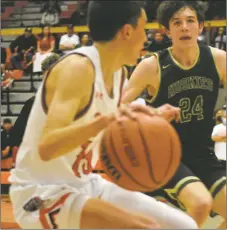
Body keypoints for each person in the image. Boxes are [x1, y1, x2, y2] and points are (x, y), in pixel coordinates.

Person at [9, 1, 197, 229]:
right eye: (144, 28)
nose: (146, 38)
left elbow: (107, 116)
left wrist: (151, 115)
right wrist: (104, 121)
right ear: (127, 32)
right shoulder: (77, 68)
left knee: (184, 225)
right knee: (147, 228)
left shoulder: (119, 73)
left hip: (85, 184)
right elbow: (47, 146)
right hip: (41, 192)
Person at [122, 1, 226, 228]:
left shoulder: (219, 59)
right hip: (166, 156)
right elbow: (117, 107)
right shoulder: (151, 66)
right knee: (200, 204)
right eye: (177, 23)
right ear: (167, 31)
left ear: (200, 27)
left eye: (190, 21)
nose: (184, 27)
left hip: (202, 154)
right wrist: (149, 114)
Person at [10, 53, 61, 165]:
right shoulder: (31, 103)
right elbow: (17, 135)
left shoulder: (75, 101)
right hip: (38, 160)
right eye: (47, 76)